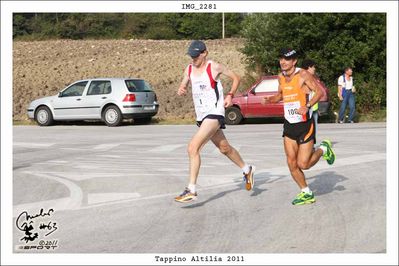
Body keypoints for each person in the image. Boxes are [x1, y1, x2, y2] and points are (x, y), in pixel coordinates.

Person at [175, 40, 255, 203]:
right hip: (202, 116)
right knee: (224, 148)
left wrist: (230, 95)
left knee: (193, 147)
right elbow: (184, 82)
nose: (193, 59)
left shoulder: (214, 67)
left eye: (196, 56)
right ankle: (247, 169)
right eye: (191, 56)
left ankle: (191, 189)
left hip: (214, 113)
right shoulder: (189, 68)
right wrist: (182, 88)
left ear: (204, 53)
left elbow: (235, 78)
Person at [261, 48, 335, 205]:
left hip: (304, 124)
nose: (282, 62)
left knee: (304, 164)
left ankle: (323, 149)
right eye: (281, 58)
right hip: (289, 125)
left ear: (294, 61)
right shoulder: (281, 77)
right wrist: (271, 100)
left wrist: (307, 105)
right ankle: (306, 192)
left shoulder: (303, 75)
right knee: (291, 162)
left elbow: (319, 92)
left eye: (286, 59)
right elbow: (280, 95)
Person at [302, 59, 325, 139]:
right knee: (309, 131)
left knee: (313, 131)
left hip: (313, 108)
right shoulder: (305, 78)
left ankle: (311, 147)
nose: (315, 69)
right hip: (308, 109)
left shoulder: (312, 78)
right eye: (313, 67)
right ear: (309, 67)